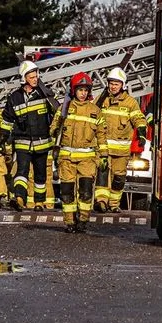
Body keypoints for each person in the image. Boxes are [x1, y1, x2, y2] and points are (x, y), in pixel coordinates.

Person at [50, 72, 107, 233]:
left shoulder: (95, 111)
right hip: (66, 158)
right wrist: (58, 126)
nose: (82, 93)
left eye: (85, 90)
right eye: (80, 90)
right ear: (74, 91)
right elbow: (53, 131)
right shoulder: (64, 109)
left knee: (86, 192)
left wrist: (103, 156)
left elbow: (101, 135)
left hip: (87, 159)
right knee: (67, 192)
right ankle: (69, 222)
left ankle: (83, 219)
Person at [0, 60, 56, 210]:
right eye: (31, 77)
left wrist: (50, 97)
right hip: (22, 141)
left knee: (40, 175)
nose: (35, 79)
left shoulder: (44, 95)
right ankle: (19, 198)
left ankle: (38, 202)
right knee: (21, 171)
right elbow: (7, 119)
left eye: (36, 76)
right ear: (24, 78)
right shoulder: (14, 97)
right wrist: (2, 138)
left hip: (42, 142)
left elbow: (56, 114)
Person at [94, 67, 146, 213]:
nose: (113, 86)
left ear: (122, 85)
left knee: (119, 178)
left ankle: (114, 204)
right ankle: (101, 202)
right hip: (103, 148)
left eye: (116, 83)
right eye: (111, 83)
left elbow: (139, 118)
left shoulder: (130, 103)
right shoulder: (101, 99)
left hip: (122, 151)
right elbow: (90, 114)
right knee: (102, 175)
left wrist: (141, 133)